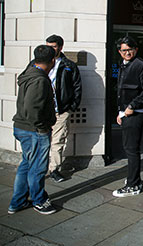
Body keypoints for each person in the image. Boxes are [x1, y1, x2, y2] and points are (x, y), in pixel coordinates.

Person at [9, 45, 57, 215]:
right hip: (35, 131)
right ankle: (39, 200)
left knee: (26, 165)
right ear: (53, 60)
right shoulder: (40, 80)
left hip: (23, 127)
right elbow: (32, 109)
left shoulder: (29, 73)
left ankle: (18, 202)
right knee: (38, 167)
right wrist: (42, 128)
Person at [113, 36, 143, 197]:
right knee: (129, 148)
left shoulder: (141, 66)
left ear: (136, 50)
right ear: (119, 52)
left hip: (136, 113)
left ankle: (133, 185)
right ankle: (133, 178)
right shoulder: (124, 65)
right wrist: (120, 112)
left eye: (130, 49)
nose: (127, 52)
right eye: (124, 50)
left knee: (131, 149)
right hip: (126, 113)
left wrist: (132, 106)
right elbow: (122, 91)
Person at [45, 34, 82, 183]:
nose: (50, 50)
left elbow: (77, 87)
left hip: (61, 110)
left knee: (57, 140)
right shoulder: (38, 62)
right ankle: (40, 168)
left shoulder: (68, 65)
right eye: (48, 46)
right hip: (43, 110)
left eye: (53, 47)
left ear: (60, 47)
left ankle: (54, 169)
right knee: (41, 140)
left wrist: (71, 107)